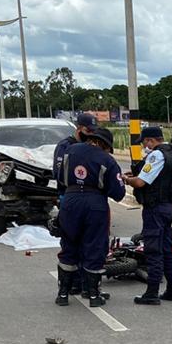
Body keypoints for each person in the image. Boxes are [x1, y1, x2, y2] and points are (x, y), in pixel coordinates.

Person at [55, 126, 125, 307]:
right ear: (105, 144)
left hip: (70, 201)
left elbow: (59, 177)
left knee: (69, 244)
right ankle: (93, 295)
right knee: (95, 246)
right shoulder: (107, 160)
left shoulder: (70, 150)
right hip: (95, 205)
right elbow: (118, 193)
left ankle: (63, 294)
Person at [123, 126, 172, 305]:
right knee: (165, 250)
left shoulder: (157, 155)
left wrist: (127, 179)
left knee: (153, 250)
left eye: (144, 142)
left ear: (150, 140)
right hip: (168, 208)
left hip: (155, 209)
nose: (144, 146)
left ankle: (152, 292)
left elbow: (141, 182)